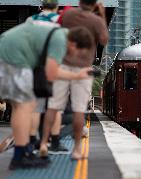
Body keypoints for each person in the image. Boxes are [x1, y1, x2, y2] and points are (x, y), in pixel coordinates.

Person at [0, 19, 93, 169]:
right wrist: (78, 75)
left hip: (7, 52)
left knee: (22, 106)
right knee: (25, 105)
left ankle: (23, 153)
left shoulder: (59, 34)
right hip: (13, 57)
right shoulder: (60, 40)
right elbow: (52, 73)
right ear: (75, 44)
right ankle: (20, 157)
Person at [40, 0, 108, 160]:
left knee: (53, 107)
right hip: (83, 69)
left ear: (79, 2)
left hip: (63, 65)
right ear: (94, 5)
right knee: (79, 110)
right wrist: (102, 15)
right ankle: (77, 149)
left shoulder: (69, 13)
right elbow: (104, 39)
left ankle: (44, 143)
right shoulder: (96, 21)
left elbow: (57, 27)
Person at [27, 0, 69, 154]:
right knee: (55, 107)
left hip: (35, 67)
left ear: (41, 6)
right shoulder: (60, 21)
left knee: (35, 107)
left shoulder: (31, 21)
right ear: (57, 7)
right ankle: (55, 142)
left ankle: (32, 142)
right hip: (55, 67)